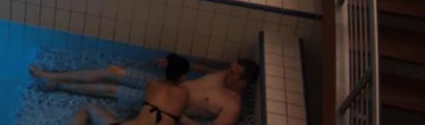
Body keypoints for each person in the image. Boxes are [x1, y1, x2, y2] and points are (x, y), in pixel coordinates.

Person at [32, 55, 259, 125]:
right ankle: (52, 76)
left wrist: (179, 117)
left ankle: (59, 84)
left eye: (232, 73)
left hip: (166, 105)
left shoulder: (231, 107)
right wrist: (175, 62)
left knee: (110, 89)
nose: (226, 73)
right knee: (113, 70)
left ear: (243, 83)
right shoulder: (224, 75)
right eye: (229, 68)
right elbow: (203, 68)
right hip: (165, 85)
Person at [31, 53, 190, 125]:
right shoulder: (184, 94)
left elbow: (159, 85)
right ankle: (56, 81)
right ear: (183, 77)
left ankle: (54, 79)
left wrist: (166, 63)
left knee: (88, 108)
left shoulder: (153, 84)